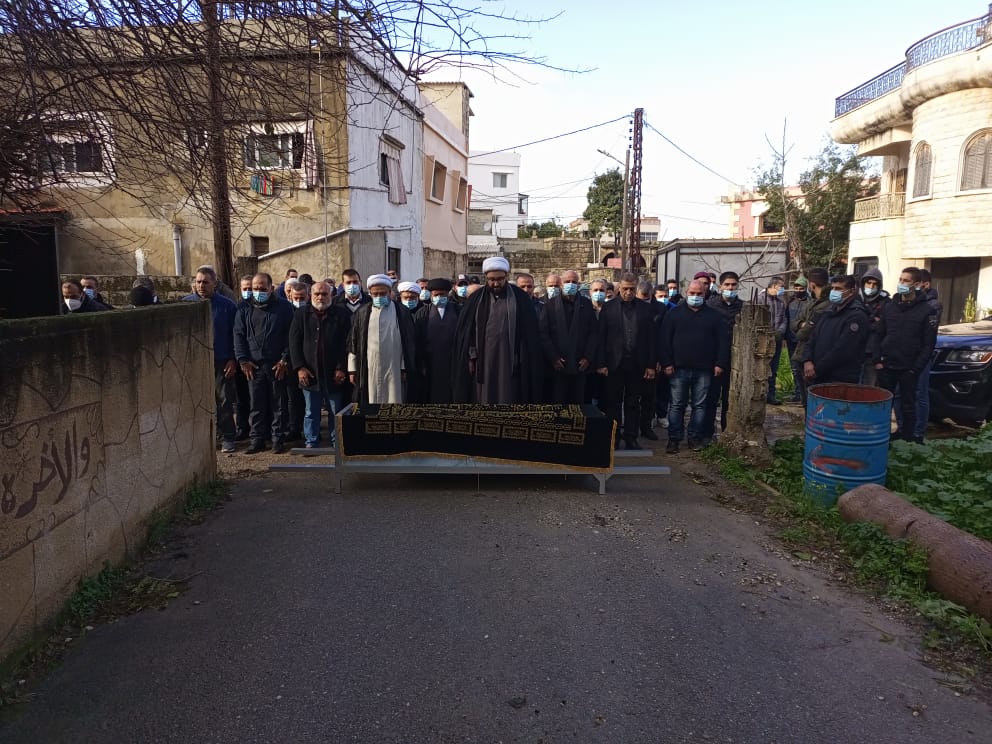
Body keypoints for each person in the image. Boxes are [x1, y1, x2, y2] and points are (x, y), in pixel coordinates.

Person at [452, 256, 545, 404]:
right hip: (483, 360)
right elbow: (467, 332)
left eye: (500, 279)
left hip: (510, 359)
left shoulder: (520, 298)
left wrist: (523, 358)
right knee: (483, 396)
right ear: (486, 278)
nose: (496, 283)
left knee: (508, 394)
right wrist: (470, 356)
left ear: (506, 276)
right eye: (492, 279)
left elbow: (529, 333)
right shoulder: (476, 299)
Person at [660, 279, 730, 454]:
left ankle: (694, 437)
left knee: (700, 406)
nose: (695, 296)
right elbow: (664, 340)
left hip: (704, 370)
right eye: (692, 293)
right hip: (678, 369)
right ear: (686, 293)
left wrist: (720, 363)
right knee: (677, 405)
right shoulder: (674, 314)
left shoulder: (714, 316)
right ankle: (674, 439)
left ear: (705, 294)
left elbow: (723, 342)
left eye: (699, 294)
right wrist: (666, 363)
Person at [874, 267, 938, 443]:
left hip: (909, 368)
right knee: (885, 405)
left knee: (909, 406)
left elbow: (928, 344)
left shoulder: (927, 310)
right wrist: (877, 360)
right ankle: (884, 439)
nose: (901, 283)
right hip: (887, 365)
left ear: (916, 284)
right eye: (900, 279)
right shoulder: (890, 307)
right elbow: (879, 335)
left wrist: (915, 369)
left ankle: (909, 441)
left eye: (906, 281)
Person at [234, 273, 295, 454]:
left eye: (262, 288)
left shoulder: (284, 307)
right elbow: (238, 335)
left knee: (278, 404)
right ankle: (257, 439)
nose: (258, 292)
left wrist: (285, 359)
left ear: (271, 288)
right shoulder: (244, 307)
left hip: (277, 365)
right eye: (255, 288)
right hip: (253, 366)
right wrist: (243, 360)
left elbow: (291, 336)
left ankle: (277, 439)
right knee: (256, 404)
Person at [596, 272, 657, 450]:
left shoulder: (645, 309)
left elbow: (652, 339)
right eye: (625, 289)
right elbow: (601, 337)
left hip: (637, 363)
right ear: (619, 288)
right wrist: (601, 363)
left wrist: (651, 365)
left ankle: (631, 436)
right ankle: (614, 437)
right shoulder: (608, 308)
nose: (628, 292)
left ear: (636, 288)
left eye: (631, 289)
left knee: (633, 402)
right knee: (613, 402)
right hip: (614, 363)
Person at [183, 267, 238, 453]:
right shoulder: (185, 305)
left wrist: (233, 358)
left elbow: (235, 335)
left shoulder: (227, 306)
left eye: (205, 282)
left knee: (223, 400)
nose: (201, 286)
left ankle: (228, 437)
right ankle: (202, 437)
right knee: (197, 401)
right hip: (195, 362)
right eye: (198, 282)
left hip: (221, 361)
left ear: (215, 283)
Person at [290, 281, 351, 448]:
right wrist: (300, 368)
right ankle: (311, 440)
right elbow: (294, 342)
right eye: (317, 294)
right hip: (310, 372)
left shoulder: (341, 314)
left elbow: (347, 344)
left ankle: (336, 441)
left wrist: (341, 368)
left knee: (335, 410)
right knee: (311, 410)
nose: (320, 297)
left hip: (334, 373)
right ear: (311, 295)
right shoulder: (301, 314)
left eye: (324, 294)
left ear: (331, 295)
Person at [347, 274, 416, 405]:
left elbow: (408, 343)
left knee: (394, 399)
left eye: (383, 293)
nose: (379, 297)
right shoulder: (362, 312)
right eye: (375, 294)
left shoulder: (401, 312)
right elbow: (353, 342)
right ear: (370, 293)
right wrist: (352, 369)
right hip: (370, 366)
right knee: (371, 400)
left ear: (390, 292)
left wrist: (404, 367)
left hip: (394, 368)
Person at [539, 269, 598, 404]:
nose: (570, 284)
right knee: (558, 402)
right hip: (557, 365)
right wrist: (553, 357)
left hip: (580, 363)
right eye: (567, 282)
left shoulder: (586, 304)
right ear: (561, 284)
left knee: (577, 403)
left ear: (578, 285)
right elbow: (543, 333)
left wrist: (587, 357)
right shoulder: (550, 305)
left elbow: (593, 332)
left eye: (574, 282)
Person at [801, 275, 870, 385]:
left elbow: (843, 349)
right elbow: (813, 337)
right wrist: (807, 360)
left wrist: (817, 370)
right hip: (819, 375)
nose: (833, 292)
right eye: (832, 288)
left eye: (838, 289)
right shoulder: (829, 311)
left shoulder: (857, 316)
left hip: (840, 377)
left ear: (851, 291)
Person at [702, 271, 744, 443]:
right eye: (727, 285)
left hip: (735, 360)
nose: (730, 288)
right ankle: (707, 433)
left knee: (730, 399)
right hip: (713, 360)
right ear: (720, 286)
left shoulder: (743, 307)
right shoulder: (710, 306)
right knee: (711, 398)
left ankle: (727, 433)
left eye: (733, 285)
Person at [413, 278, 460, 403]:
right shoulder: (423, 313)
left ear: (448, 294)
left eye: (442, 295)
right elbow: (417, 340)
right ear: (431, 295)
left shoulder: (458, 311)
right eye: (436, 295)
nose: (439, 297)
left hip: (452, 362)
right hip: (430, 362)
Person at [792, 268, 831, 408]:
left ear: (811, 284)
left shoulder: (825, 305)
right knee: (806, 399)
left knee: (812, 400)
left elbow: (803, 334)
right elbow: (795, 322)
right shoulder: (813, 302)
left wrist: (803, 326)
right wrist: (802, 324)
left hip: (812, 357)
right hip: (801, 354)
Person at [755, 276, 788, 405]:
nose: (783, 289)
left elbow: (784, 319)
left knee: (773, 369)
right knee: (760, 368)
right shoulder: (760, 299)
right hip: (762, 340)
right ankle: (759, 394)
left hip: (776, 340)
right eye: (781, 287)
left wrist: (780, 332)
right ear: (774, 286)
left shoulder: (781, 302)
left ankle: (771, 395)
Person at [858, 268, 889, 387]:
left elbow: (883, 327)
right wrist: (872, 320)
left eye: (874, 284)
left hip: (872, 354)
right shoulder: (856, 300)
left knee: (869, 388)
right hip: (855, 352)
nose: (871, 287)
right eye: (868, 283)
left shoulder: (886, 303)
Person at [785, 276, 810, 403]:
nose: (798, 290)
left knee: (802, 368)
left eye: (801, 288)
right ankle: (797, 393)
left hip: (803, 340)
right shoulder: (790, 302)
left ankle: (804, 394)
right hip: (791, 339)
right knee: (794, 368)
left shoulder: (809, 303)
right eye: (796, 288)